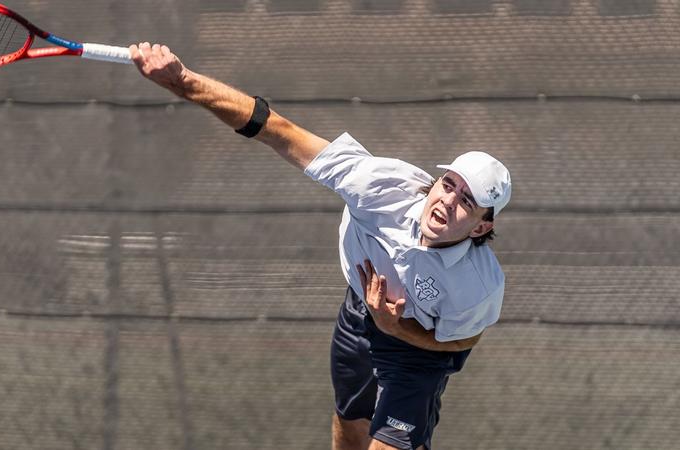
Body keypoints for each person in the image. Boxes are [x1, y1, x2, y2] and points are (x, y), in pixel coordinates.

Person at [129, 42, 512, 450]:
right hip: (359, 319)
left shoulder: (480, 286)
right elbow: (280, 132)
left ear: (479, 227)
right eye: (448, 184)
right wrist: (184, 82)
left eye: (466, 202)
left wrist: (396, 327)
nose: (448, 201)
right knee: (349, 436)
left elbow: (461, 341)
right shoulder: (380, 187)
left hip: (418, 354)